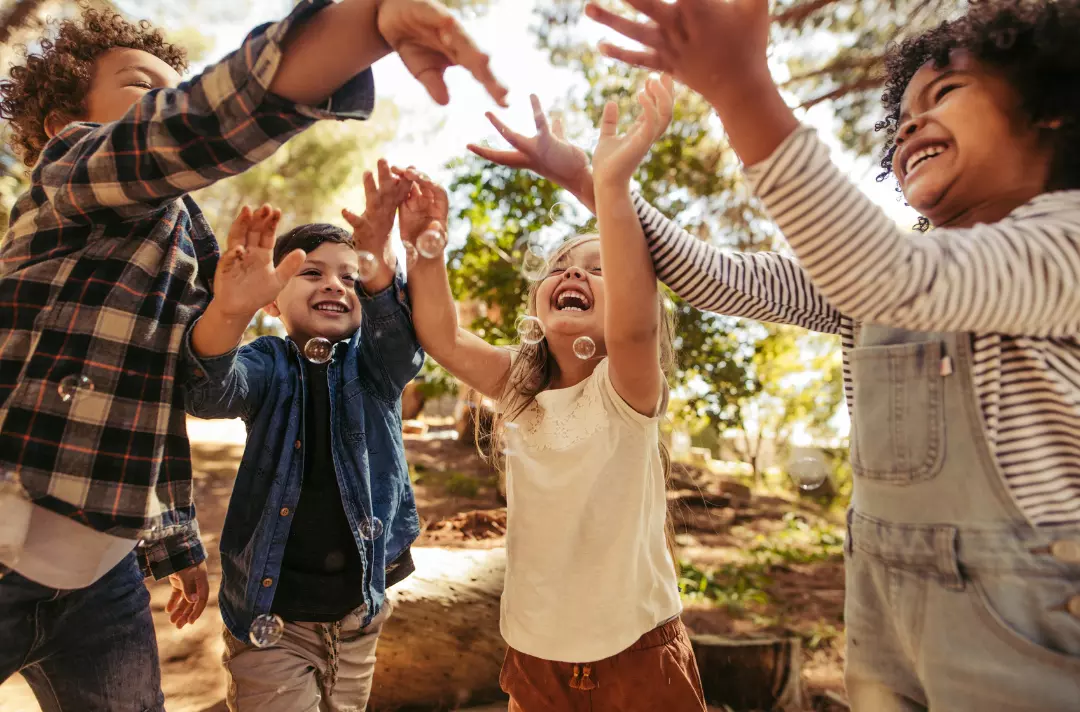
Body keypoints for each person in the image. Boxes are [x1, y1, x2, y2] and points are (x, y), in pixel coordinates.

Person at [473, 0, 1080, 709]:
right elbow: (715, 275)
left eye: (944, 92)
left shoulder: (1064, 240)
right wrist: (596, 182)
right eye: (903, 113)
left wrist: (742, 90)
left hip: (1027, 614)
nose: (910, 123)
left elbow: (891, 276)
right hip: (888, 606)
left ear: (1050, 110)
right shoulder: (883, 273)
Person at [0, 1, 505, 709]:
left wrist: (174, 541)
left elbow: (157, 397)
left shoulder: (194, 241)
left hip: (103, 572)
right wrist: (356, 30)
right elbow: (184, 131)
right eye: (143, 85)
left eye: (170, 84)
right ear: (63, 122)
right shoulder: (69, 175)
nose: (164, 98)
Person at [399, 76, 706, 711]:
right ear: (540, 303)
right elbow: (444, 337)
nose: (573, 271)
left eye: (600, 267)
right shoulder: (521, 387)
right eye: (563, 265)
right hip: (535, 651)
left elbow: (635, 316)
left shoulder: (627, 387)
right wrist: (424, 249)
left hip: (637, 653)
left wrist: (610, 184)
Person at [183, 161, 422, 711]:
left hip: (359, 614)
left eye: (350, 276)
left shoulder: (373, 367)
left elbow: (403, 347)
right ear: (272, 300)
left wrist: (381, 264)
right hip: (272, 619)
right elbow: (209, 392)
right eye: (311, 273)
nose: (335, 284)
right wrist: (228, 309)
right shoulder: (269, 362)